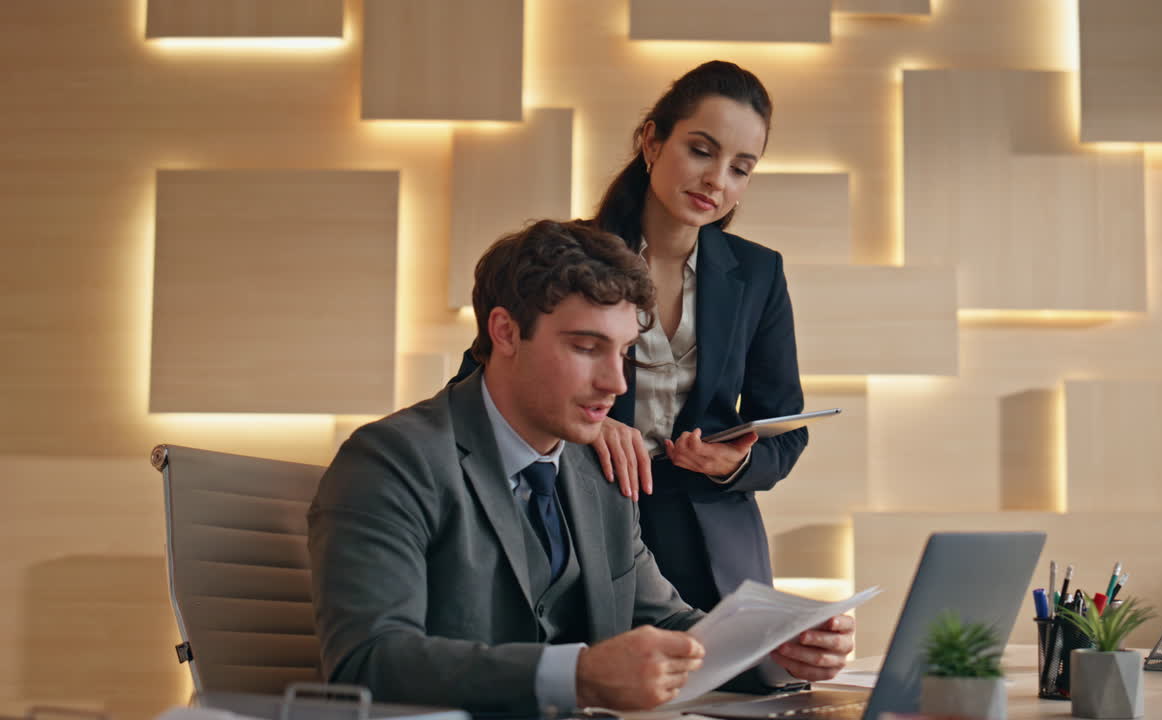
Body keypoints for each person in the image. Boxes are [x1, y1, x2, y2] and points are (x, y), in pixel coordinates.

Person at [308, 220, 853, 715]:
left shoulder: (601, 470)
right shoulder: (390, 461)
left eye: (624, 353)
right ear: (504, 332)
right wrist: (578, 677)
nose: (616, 384)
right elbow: (368, 661)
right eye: (587, 347)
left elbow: (665, 621)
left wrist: (776, 646)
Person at [452, 61, 806, 613]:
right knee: (597, 682)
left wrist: (731, 464)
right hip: (579, 508)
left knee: (736, 684)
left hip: (710, 529)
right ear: (651, 141)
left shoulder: (759, 273)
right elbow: (480, 384)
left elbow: (785, 431)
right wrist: (587, 429)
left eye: (741, 168)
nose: (717, 180)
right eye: (701, 150)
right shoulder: (565, 258)